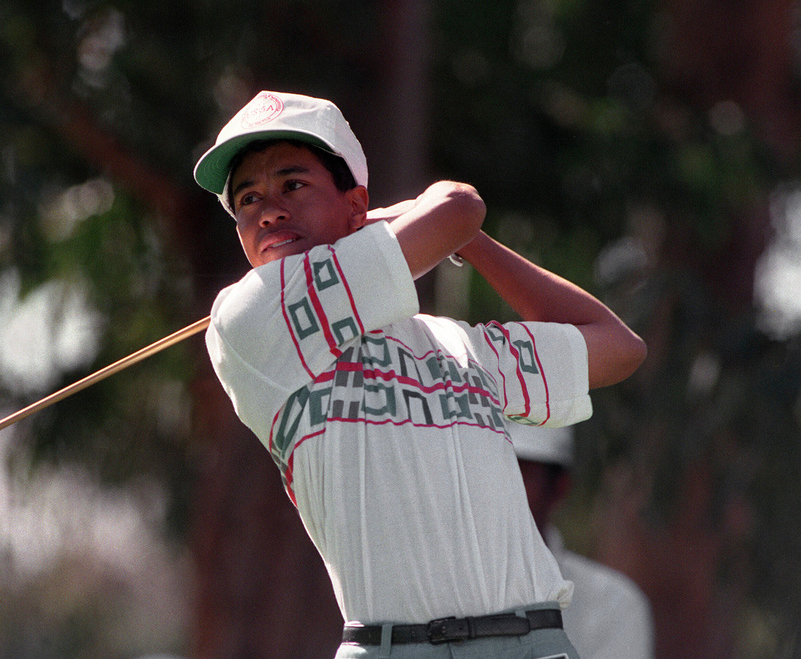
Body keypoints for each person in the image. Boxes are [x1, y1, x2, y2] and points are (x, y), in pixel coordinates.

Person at [193, 90, 647, 658]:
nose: (269, 210)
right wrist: (441, 220)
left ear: (357, 204)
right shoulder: (247, 316)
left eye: (293, 185)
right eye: (248, 199)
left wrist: (470, 243)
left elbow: (618, 348)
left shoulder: (459, 345)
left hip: (533, 644)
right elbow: (460, 204)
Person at [508, 422, 655, 659]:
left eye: (518, 473)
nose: (495, 490)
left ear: (559, 487)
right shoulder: (442, 591)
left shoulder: (613, 607)